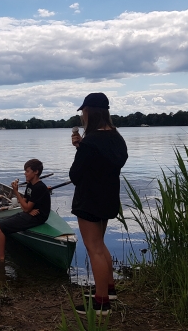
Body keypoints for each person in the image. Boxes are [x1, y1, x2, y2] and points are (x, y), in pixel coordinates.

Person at [70, 92, 128, 316]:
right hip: (108, 198)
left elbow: (76, 175)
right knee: (100, 245)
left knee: (94, 249)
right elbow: (106, 162)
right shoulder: (116, 137)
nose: (82, 116)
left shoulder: (91, 141)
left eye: (83, 111)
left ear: (89, 112)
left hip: (89, 200)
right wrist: (81, 147)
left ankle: (101, 303)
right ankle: (108, 289)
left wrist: (82, 149)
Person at [0, 159, 51, 261]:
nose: (25, 173)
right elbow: (24, 206)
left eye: (27, 171)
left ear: (36, 172)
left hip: (38, 217)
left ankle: (1, 258)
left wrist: (16, 192)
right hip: (31, 213)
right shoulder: (30, 184)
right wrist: (28, 210)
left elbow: (25, 207)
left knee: (0, 227)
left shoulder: (39, 187)